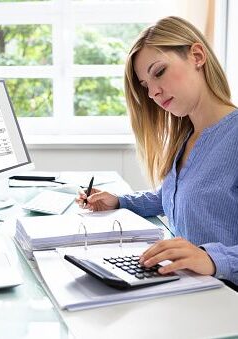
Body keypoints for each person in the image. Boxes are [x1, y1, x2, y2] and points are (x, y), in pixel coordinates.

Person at [76, 16, 238, 290]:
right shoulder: (187, 135)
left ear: (197, 56)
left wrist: (213, 259)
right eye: (145, 85)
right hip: (188, 285)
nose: (153, 92)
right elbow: (174, 196)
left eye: (159, 72)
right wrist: (120, 202)